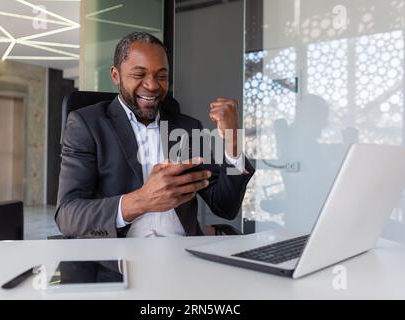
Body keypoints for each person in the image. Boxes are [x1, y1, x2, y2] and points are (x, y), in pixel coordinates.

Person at [55, 32, 255, 238]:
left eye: (161, 76)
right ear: (116, 75)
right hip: (119, 261)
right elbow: (68, 216)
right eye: (139, 75)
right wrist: (142, 200)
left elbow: (225, 207)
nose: (152, 85)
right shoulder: (86, 124)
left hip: (183, 255)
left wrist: (232, 139)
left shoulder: (186, 128)